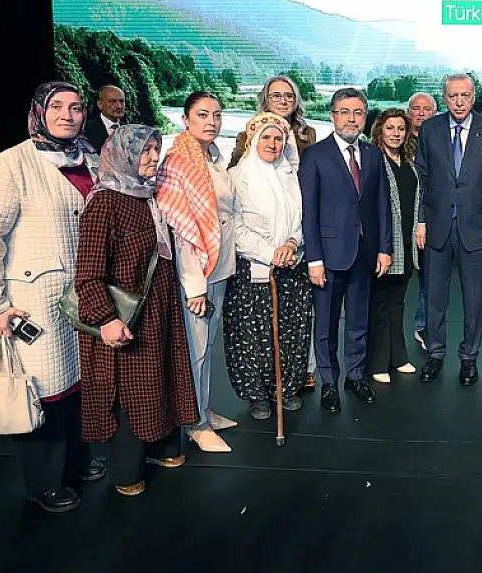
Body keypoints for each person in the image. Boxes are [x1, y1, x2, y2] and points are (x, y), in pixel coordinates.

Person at [0, 81, 106, 514]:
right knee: (43, 389)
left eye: (76, 107)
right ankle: (45, 482)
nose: (68, 115)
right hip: (33, 297)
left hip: (85, 292)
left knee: (80, 382)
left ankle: (78, 459)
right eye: (57, 107)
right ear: (38, 111)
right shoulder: (9, 165)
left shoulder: (93, 159)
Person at [75, 125, 199, 496]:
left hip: (158, 309)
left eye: (156, 149)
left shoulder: (147, 194)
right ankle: (127, 470)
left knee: (160, 378)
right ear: (123, 155)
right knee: (130, 389)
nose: (153, 157)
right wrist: (105, 319)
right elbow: (88, 273)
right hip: (124, 314)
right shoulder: (105, 201)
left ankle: (163, 449)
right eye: (145, 151)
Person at [300, 88, 392, 412]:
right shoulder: (314, 156)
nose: (351, 119)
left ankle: (355, 376)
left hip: (365, 255)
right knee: (325, 324)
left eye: (357, 113)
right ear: (332, 115)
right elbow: (308, 212)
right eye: (344, 112)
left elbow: (382, 206)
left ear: (364, 118)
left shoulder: (373, 155)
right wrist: (314, 259)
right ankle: (329, 382)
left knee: (358, 320)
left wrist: (384, 248)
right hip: (328, 256)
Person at [156, 91, 238, 453]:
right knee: (195, 349)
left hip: (219, 267)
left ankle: (202, 408)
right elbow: (183, 230)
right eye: (203, 115)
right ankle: (194, 422)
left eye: (217, 115)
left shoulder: (213, 158)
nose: (212, 122)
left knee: (205, 347)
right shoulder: (178, 162)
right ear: (185, 119)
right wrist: (194, 287)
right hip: (196, 275)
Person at [229, 74, 319, 389]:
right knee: (257, 334)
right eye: (275, 95)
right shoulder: (239, 174)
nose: (273, 144)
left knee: (294, 328)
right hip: (257, 264)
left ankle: (291, 384)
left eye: (278, 139)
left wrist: (293, 242)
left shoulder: (293, 168)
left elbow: (304, 210)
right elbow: (235, 222)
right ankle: (259, 391)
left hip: (293, 258)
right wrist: (270, 253)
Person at [414, 73, 482, 386]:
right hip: (437, 225)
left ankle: (469, 358)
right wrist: (420, 221)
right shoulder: (430, 129)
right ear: (445, 97)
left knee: (475, 298)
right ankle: (435, 354)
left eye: (465, 95)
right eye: (453, 96)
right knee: (435, 296)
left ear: (474, 96)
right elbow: (421, 179)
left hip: (475, 227)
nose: (459, 102)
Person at [368, 108, 420, 384]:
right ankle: (377, 362)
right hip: (384, 245)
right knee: (379, 304)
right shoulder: (373, 160)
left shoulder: (407, 162)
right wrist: (381, 247)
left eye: (401, 128)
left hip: (407, 243)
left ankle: (398, 357)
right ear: (380, 131)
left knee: (397, 302)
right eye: (390, 128)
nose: (396, 134)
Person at [230, 75, 317, 169]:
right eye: (276, 96)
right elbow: (233, 173)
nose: (283, 101)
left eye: (289, 96)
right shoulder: (247, 137)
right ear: (266, 100)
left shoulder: (307, 133)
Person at [407, 92, 437, 352]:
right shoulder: (396, 140)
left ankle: (423, 326)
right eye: (415, 109)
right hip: (399, 221)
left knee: (429, 280)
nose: (420, 113)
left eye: (426, 109)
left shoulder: (441, 142)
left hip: (429, 221)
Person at [83, 85, 126, 151]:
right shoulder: (86, 129)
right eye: (112, 101)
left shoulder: (129, 130)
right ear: (100, 104)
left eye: (121, 101)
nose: (119, 106)